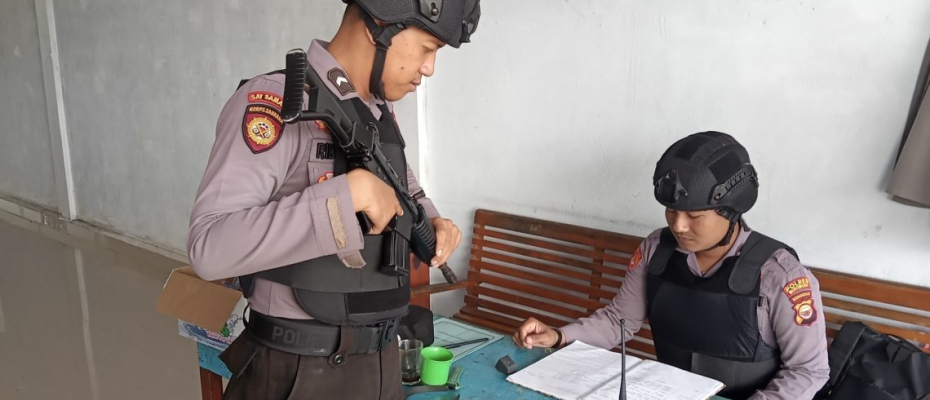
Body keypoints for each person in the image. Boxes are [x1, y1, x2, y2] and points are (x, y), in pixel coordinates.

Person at [186, 1, 480, 399]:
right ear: (379, 24)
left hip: (381, 365)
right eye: (427, 49)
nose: (429, 69)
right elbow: (209, 247)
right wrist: (344, 198)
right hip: (300, 371)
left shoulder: (377, 112)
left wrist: (432, 219)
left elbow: (403, 184)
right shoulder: (278, 103)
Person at [513, 132, 829, 400]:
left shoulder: (780, 276)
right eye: (671, 211)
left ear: (730, 211)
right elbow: (619, 320)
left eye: (694, 216)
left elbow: (808, 370)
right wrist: (557, 336)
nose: (678, 226)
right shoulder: (656, 250)